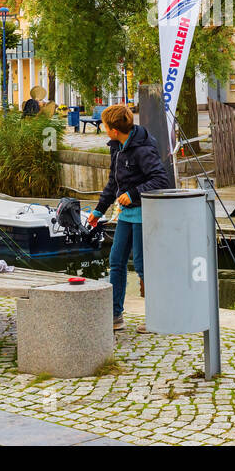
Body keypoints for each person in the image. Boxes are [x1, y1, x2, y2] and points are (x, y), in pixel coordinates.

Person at [91, 103, 172, 332]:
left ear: (114, 129)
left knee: (143, 266)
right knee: (116, 261)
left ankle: (159, 317)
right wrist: (99, 210)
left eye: (105, 127)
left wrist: (133, 193)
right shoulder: (116, 146)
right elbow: (113, 182)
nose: (104, 130)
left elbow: (160, 179)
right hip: (126, 215)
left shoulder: (143, 148)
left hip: (144, 215)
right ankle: (115, 316)